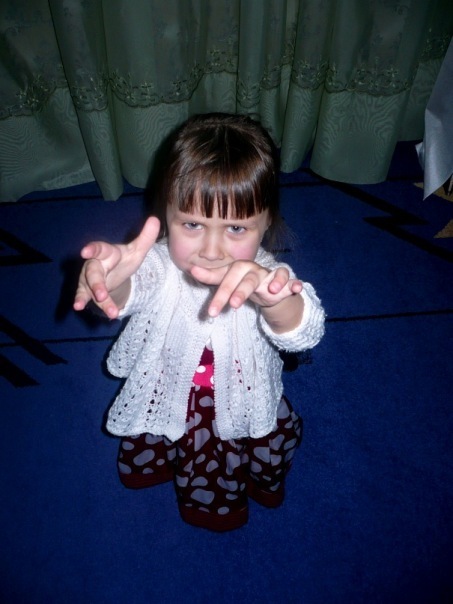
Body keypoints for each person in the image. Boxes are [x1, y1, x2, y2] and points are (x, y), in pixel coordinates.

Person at [74, 113, 325, 531]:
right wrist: (109, 284)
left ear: (266, 222)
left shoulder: (266, 277)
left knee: (240, 448)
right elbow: (134, 288)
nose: (211, 249)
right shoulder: (160, 262)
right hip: (169, 385)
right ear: (166, 214)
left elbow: (306, 330)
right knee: (165, 432)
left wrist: (276, 303)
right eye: (192, 224)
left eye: (236, 228)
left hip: (241, 394)